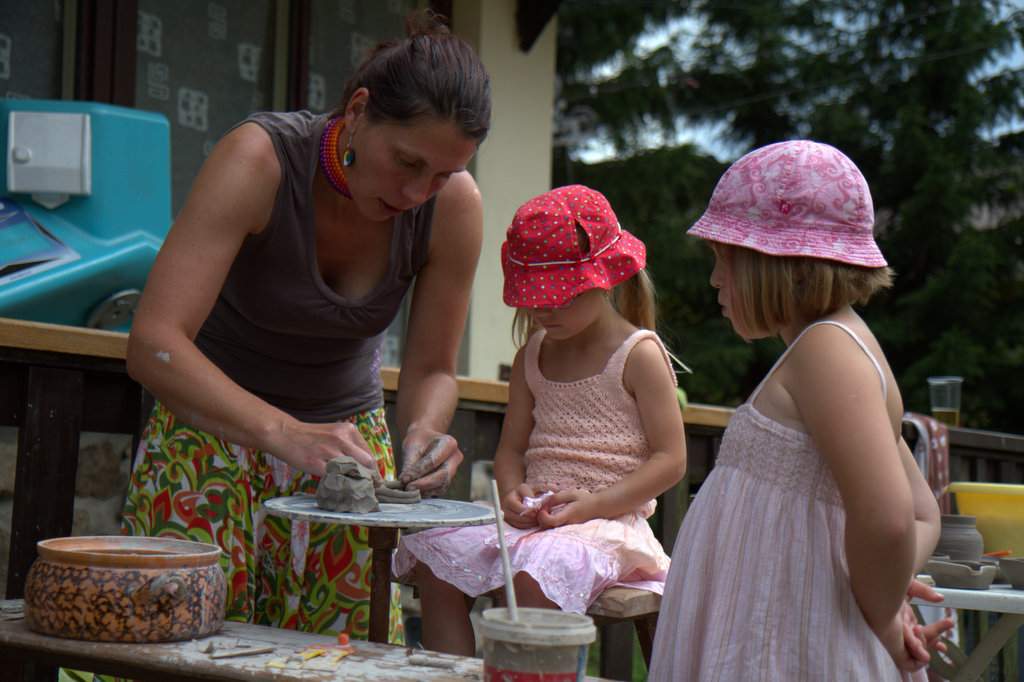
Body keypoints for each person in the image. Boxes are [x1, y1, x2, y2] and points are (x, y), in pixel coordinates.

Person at [121, 9, 490, 643]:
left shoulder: (453, 208)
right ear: (359, 110)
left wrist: (426, 431)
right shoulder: (260, 160)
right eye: (407, 162)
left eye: (443, 174)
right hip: (208, 442)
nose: (416, 193)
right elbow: (154, 342)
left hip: (346, 465)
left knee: (342, 661)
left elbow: (432, 369)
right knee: (184, 651)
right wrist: (286, 433)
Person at [648, 140, 953, 680]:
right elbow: (920, 513)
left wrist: (881, 613)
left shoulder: (827, 352)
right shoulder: (833, 347)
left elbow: (889, 522)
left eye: (725, 259)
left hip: (786, 643)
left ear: (778, 263)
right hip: (784, 625)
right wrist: (882, 582)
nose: (715, 279)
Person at [393, 184, 687, 655]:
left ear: (604, 277)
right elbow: (512, 449)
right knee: (436, 563)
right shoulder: (532, 355)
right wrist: (513, 491)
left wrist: (594, 504)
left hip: (609, 523)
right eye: (533, 297)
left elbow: (670, 459)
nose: (544, 309)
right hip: (535, 522)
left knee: (533, 578)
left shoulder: (638, 354)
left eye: (560, 295)